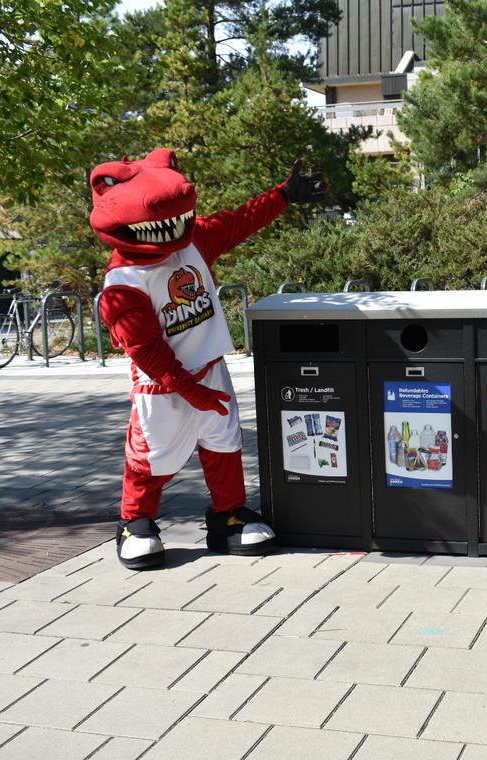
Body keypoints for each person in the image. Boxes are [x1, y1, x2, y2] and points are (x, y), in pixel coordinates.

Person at [88, 148, 325, 568]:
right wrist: (187, 389)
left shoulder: (191, 240)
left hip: (209, 369)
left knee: (224, 445)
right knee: (151, 457)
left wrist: (284, 195)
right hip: (160, 386)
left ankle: (228, 516)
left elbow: (238, 221)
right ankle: (135, 522)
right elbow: (146, 349)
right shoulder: (122, 284)